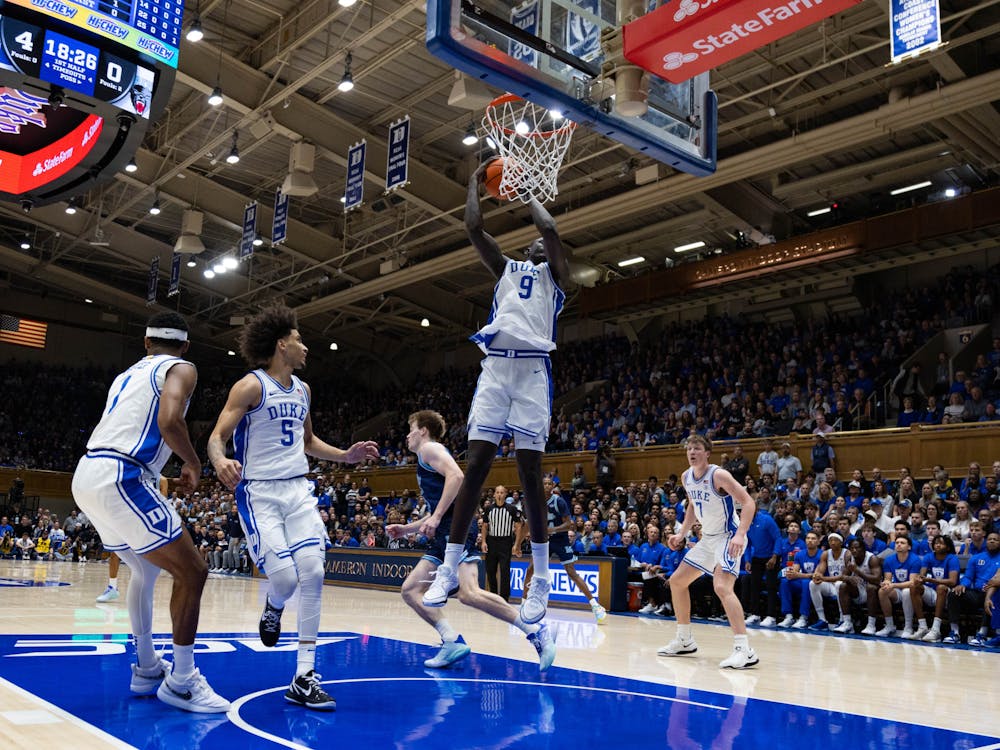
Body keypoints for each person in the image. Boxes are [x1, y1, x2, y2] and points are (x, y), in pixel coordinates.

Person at [422, 162, 574, 627]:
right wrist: (474, 182)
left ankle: (542, 578)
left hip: (531, 372)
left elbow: (548, 227)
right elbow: (473, 226)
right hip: (496, 368)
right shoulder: (506, 269)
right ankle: (449, 566)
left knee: (530, 474)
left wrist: (526, 189)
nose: (533, 246)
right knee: (477, 468)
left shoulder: (556, 277)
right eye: (528, 247)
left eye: (539, 247)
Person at [208, 304, 379, 710]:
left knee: (315, 573)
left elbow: (308, 442)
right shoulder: (250, 386)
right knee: (283, 581)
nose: (305, 347)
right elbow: (217, 435)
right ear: (282, 344)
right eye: (300, 340)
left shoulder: (303, 390)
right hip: (259, 492)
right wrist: (219, 460)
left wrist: (345, 455)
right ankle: (274, 605)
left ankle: (303, 677)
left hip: (298, 490)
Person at [70, 312, 229, 713]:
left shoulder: (125, 376)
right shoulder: (182, 367)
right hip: (122, 475)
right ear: (186, 346)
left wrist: (159, 479)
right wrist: (192, 462)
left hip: (89, 474)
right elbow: (170, 421)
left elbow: (124, 437)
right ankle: (182, 680)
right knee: (193, 571)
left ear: (145, 342)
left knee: (144, 569)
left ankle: (145, 668)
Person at [387, 410, 555, 671]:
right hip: (447, 533)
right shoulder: (427, 456)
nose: (407, 435)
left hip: (454, 534)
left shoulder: (429, 449)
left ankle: (532, 629)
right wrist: (407, 529)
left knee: (453, 592)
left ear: (422, 431)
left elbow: (458, 477)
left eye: (411, 428)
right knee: (436, 592)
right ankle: (457, 640)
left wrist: (437, 516)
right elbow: (441, 508)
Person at [658, 435, 758, 669]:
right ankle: (684, 639)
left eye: (697, 448)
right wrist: (682, 533)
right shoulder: (686, 477)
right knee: (677, 582)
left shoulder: (718, 475)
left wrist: (741, 534)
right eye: (689, 448)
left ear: (707, 453)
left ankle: (745, 650)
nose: (692, 452)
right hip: (708, 539)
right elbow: (693, 504)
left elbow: (748, 502)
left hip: (728, 537)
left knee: (722, 587)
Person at [521, 478, 608, 623]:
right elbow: (529, 522)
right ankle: (523, 603)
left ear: (553, 486)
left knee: (571, 571)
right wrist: (518, 543)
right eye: (544, 483)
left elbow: (570, 524)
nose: (547, 485)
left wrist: (553, 530)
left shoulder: (559, 501)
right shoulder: (536, 501)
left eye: (550, 483)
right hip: (544, 540)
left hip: (560, 540)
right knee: (530, 569)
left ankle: (595, 605)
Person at [481, 485, 522, 601]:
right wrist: (483, 541)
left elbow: (518, 527)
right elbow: (484, 526)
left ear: (505, 494)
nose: (499, 494)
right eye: (497, 492)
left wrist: (516, 544)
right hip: (491, 541)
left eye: (501, 492)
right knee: (490, 570)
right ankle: (493, 595)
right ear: (494, 495)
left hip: (505, 541)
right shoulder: (489, 509)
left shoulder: (512, 509)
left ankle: (504, 597)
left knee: (505, 570)